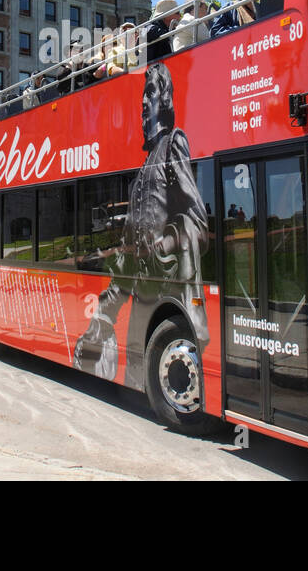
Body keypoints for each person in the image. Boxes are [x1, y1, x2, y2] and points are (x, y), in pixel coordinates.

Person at [72, 62, 209, 390]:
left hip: (168, 293)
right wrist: (103, 316)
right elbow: (127, 261)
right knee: (135, 377)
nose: (142, 102)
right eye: (142, 94)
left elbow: (198, 221)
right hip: (140, 301)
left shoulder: (173, 143)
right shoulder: (143, 166)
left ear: (164, 99)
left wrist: (164, 243)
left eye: (150, 93)